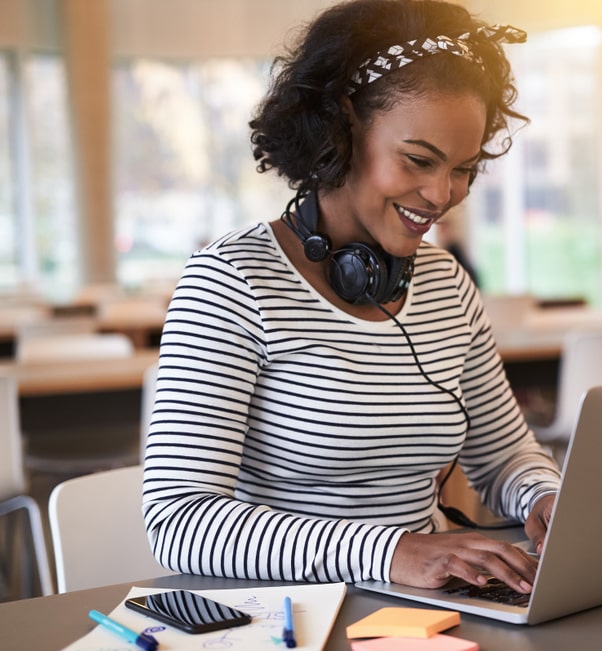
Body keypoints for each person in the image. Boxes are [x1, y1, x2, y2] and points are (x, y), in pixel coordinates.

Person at [143, 0, 561, 595]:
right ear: (339, 134)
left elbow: (503, 456)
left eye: (464, 168)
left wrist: (545, 494)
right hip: (286, 619)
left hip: (433, 603)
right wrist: (391, 552)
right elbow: (179, 523)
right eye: (419, 160)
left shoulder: (445, 283)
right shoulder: (231, 279)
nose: (442, 194)